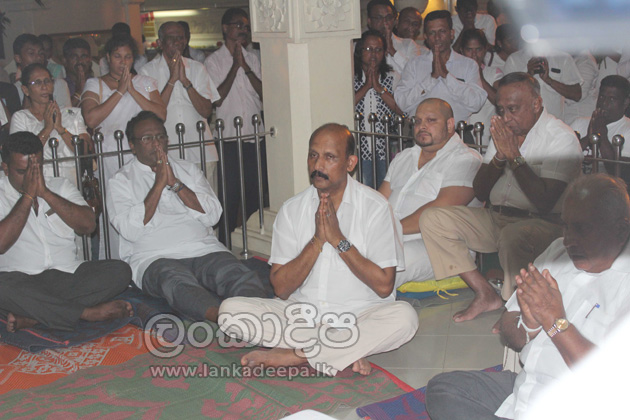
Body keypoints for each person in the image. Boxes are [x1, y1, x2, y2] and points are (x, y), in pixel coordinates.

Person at [218, 123, 418, 377]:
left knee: (404, 318)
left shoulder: (376, 208)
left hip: (359, 315)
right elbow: (281, 288)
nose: (318, 165)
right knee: (229, 312)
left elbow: (384, 286)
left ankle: (296, 354)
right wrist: (317, 241)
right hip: (302, 315)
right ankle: (341, 349)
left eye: (329, 157)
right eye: (313, 155)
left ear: (350, 163)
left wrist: (338, 240)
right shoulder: (292, 209)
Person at [425, 174, 630, 420]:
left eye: (582, 228)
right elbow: (509, 327)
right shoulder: (557, 252)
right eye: (566, 225)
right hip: (524, 389)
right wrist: (528, 325)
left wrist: (555, 322)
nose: (568, 240)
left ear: (620, 230)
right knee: (443, 390)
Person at [419, 72, 583, 322]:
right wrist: (499, 156)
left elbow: (544, 201)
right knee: (433, 219)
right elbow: (481, 191)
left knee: (513, 235)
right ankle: (485, 293)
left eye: (513, 109)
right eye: (501, 109)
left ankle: (515, 311)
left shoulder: (560, 138)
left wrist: (514, 157)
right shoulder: (506, 132)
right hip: (496, 217)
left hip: (543, 223)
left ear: (536, 104)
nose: (506, 117)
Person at [107, 111, 268, 322]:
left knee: (235, 272)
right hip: (153, 257)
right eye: (147, 138)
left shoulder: (187, 169)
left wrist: (175, 183)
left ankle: (257, 315)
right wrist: (159, 184)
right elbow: (130, 230)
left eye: (160, 136)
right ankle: (222, 319)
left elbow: (213, 215)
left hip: (203, 248)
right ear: (132, 145)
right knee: (175, 283)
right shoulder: (121, 181)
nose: (156, 143)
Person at [0, 131, 132, 332]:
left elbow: (88, 225)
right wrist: (28, 196)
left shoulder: (60, 186)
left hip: (68, 275)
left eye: (36, 168)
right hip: (21, 280)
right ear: (5, 168)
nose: (30, 177)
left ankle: (36, 316)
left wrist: (45, 193)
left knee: (120, 271)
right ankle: (86, 313)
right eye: (22, 171)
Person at [378, 98, 482, 287]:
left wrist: (390, 230)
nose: (422, 126)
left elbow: (440, 210)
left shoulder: (467, 160)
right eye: (417, 121)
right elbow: (380, 202)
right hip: (391, 237)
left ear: (450, 125)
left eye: (431, 120)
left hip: (440, 247)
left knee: (386, 264)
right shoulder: (404, 157)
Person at [204, 8, 268, 238]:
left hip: (254, 136)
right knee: (229, 196)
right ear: (225, 28)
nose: (243, 30)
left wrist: (246, 67)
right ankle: (227, 243)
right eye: (238, 25)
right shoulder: (213, 62)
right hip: (228, 139)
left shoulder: (254, 58)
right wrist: (235, 66)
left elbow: (265, 94)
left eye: (246, 27)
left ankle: (253, 241)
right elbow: (217, 99)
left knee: (255, 194)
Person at [140, 22, 220, 190]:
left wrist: (185, 81)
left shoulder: (198, 68)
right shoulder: (146, 72)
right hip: (168, 155)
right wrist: (172, 80)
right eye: (171, 38)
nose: (177, 42)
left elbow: (206, 111)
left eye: (181, 38)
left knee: (207, 202)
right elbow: (153, 115)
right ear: (160, 43)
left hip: (201, 151)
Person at [81, 35, 166, 182]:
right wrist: (120, 91)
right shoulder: (95, 84)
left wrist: (132, 90)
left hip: (144, 150)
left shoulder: (146, 82)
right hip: (111, 153)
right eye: (117, 56)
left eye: (128, 57)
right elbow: (91, 119)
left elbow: (161, 114)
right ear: (108, 57)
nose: (123, 62)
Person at [395, 10, 487, 123]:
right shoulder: (414, 64)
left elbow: (476, 103)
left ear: (451, 34)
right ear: (425, 36)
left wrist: (447, 76)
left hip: (457, 130)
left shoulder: (468, 65)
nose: (437, 37)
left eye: (442, 31)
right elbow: (402, 104)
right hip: (422, 130)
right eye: (432, 33)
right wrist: (430, 79)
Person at [10, 63, 91, 183]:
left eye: (47, 81)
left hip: (73, 181)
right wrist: (47, 129)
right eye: (37, 82)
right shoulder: (20, 118)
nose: (44, 87)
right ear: (25, 90)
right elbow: (21, 157)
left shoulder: (71, 114)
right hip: (40, 181)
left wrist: (60, 128)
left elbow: (85, 150)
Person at [353, 30, 403, 189]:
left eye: (378, 49)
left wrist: (379, 88)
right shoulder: (350, 76)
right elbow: (345, 105)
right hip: (359, 146)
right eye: (368, 49)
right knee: (363, 188)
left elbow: (401, 109)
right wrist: (366, 86)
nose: (373, 54)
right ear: (359, 50)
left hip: (386, 146)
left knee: (386, 190)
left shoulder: (392, 76)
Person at [503, 43, 583, 122]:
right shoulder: (514, 60)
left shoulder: (563, 58)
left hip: (553, 125)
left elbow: (577, 95)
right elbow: (506, 97)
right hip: (522, 125)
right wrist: (528, 75)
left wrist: (549, 80)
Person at [571, 75, 630, 179]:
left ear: (625, 103)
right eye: (602, 97)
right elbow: (560, 161)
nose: (604, 103)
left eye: (612, 99)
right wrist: (588, 138)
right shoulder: (579, 123)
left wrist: (601, 134)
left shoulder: (627, 129)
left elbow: (618, 172)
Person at [366, 0, 423, 89]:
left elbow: (417, 75)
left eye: (388, 17)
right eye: (379, 18)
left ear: (394, 21)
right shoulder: (358, 46)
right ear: (369, 21)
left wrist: (392, 51)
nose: (385, 22)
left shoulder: (409, 45)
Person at [461, 29, 504, 145]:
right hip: (461, 138)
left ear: (485, 50)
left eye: (478, 49)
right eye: (469, 50)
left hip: (485, 139)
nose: (474, 55)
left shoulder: (494, 73)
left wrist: (480, 77)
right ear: (462, 51)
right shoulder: (455, 74)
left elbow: (499, 101)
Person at [13, 34, 71, 108]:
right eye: (31, 53)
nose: (38, 57)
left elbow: (67, 113)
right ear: (18, 58)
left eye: (41, 53)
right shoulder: (14, 90)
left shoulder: (58, 85)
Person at [62, 38, 94, 107]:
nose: (80, 61)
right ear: (65, 61)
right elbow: (64, 112)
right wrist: (78, 92)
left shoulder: (98, 83)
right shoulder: (59, 86)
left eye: (84, 56)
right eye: (74, 57)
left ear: (90, 59)